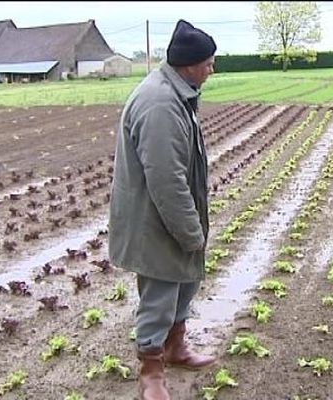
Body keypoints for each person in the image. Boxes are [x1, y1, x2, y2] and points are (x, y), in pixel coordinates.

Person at [108, 19, 216, 400]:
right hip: (154, 220)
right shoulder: (160, 104)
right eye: (208, 62)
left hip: (168, 217)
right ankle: (150, 371)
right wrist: (191, 231)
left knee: (184, 281)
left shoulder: (176, 92)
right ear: (188, 65)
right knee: (160, 291)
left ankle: (175, 347)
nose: (211, 69)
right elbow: (166, 180)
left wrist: (192, 231)